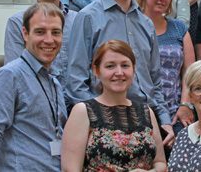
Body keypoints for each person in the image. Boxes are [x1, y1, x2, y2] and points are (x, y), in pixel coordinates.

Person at [66, 0, 175, 145]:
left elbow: (154, 81)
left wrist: (165, 120)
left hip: (146, 120)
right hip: (105, 123)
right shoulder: (88, 17)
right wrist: (98, 121)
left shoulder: (146, 23)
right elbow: (75, 81)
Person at [0, 3, 68, 172]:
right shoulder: (9, 75)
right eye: (40, 32)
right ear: (25, 33)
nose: (49, 40)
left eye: (55, 32)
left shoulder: (55, 83)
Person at [61, 40, 167, 171]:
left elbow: (161, 163)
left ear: (134, 69)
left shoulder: (147, 112)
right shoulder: (83, 111)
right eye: (110, 66)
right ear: (96, 70)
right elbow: (70, 169)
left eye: (125, 65)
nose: (119, 72)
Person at [4, 0, 77, 105]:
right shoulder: (17, 22)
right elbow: (16, 75)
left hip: (75, 109)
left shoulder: (79, 21)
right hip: (36, 108)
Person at [136, 0, 196, 133]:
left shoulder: (179, 29)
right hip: (140, 113)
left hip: (175, 113)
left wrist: (185, 105)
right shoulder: (132, 27)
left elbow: (189, 73)